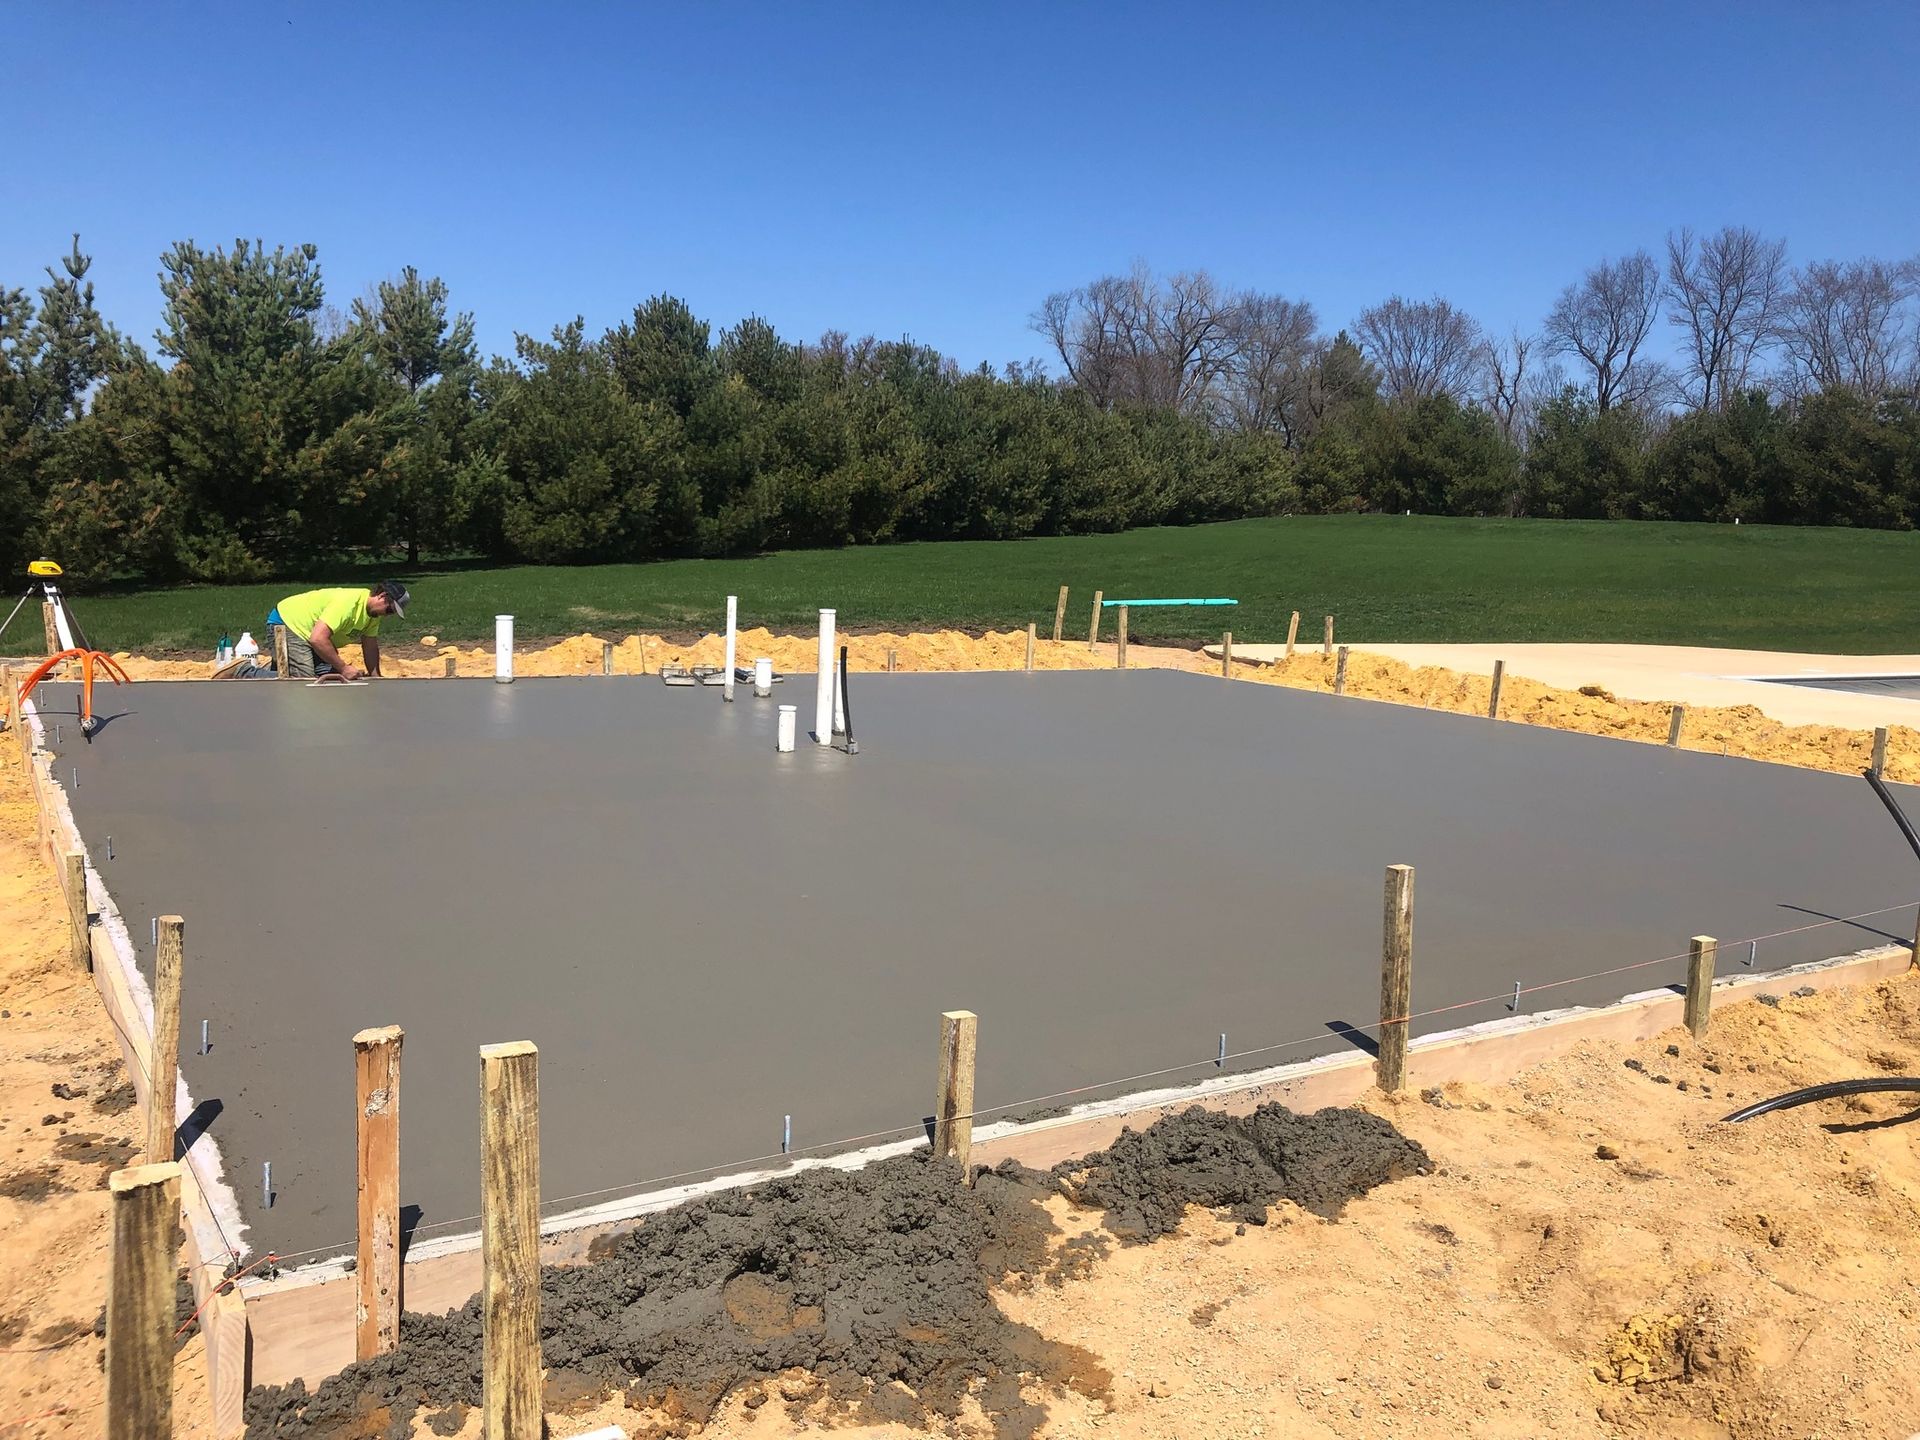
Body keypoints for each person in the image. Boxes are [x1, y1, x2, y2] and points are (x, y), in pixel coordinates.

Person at [272, 581, 409, 679]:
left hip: (313, 633)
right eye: (390, 609)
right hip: (289, 622)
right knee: (303, 680)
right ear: (382, 596)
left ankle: (277, 667)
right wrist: (343, 668)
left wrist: (376, 677)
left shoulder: (373, 614)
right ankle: (252, 673)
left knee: (332, 678)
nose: (388, 614)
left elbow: (370, 646)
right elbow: (317, 639)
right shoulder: (348, 604)